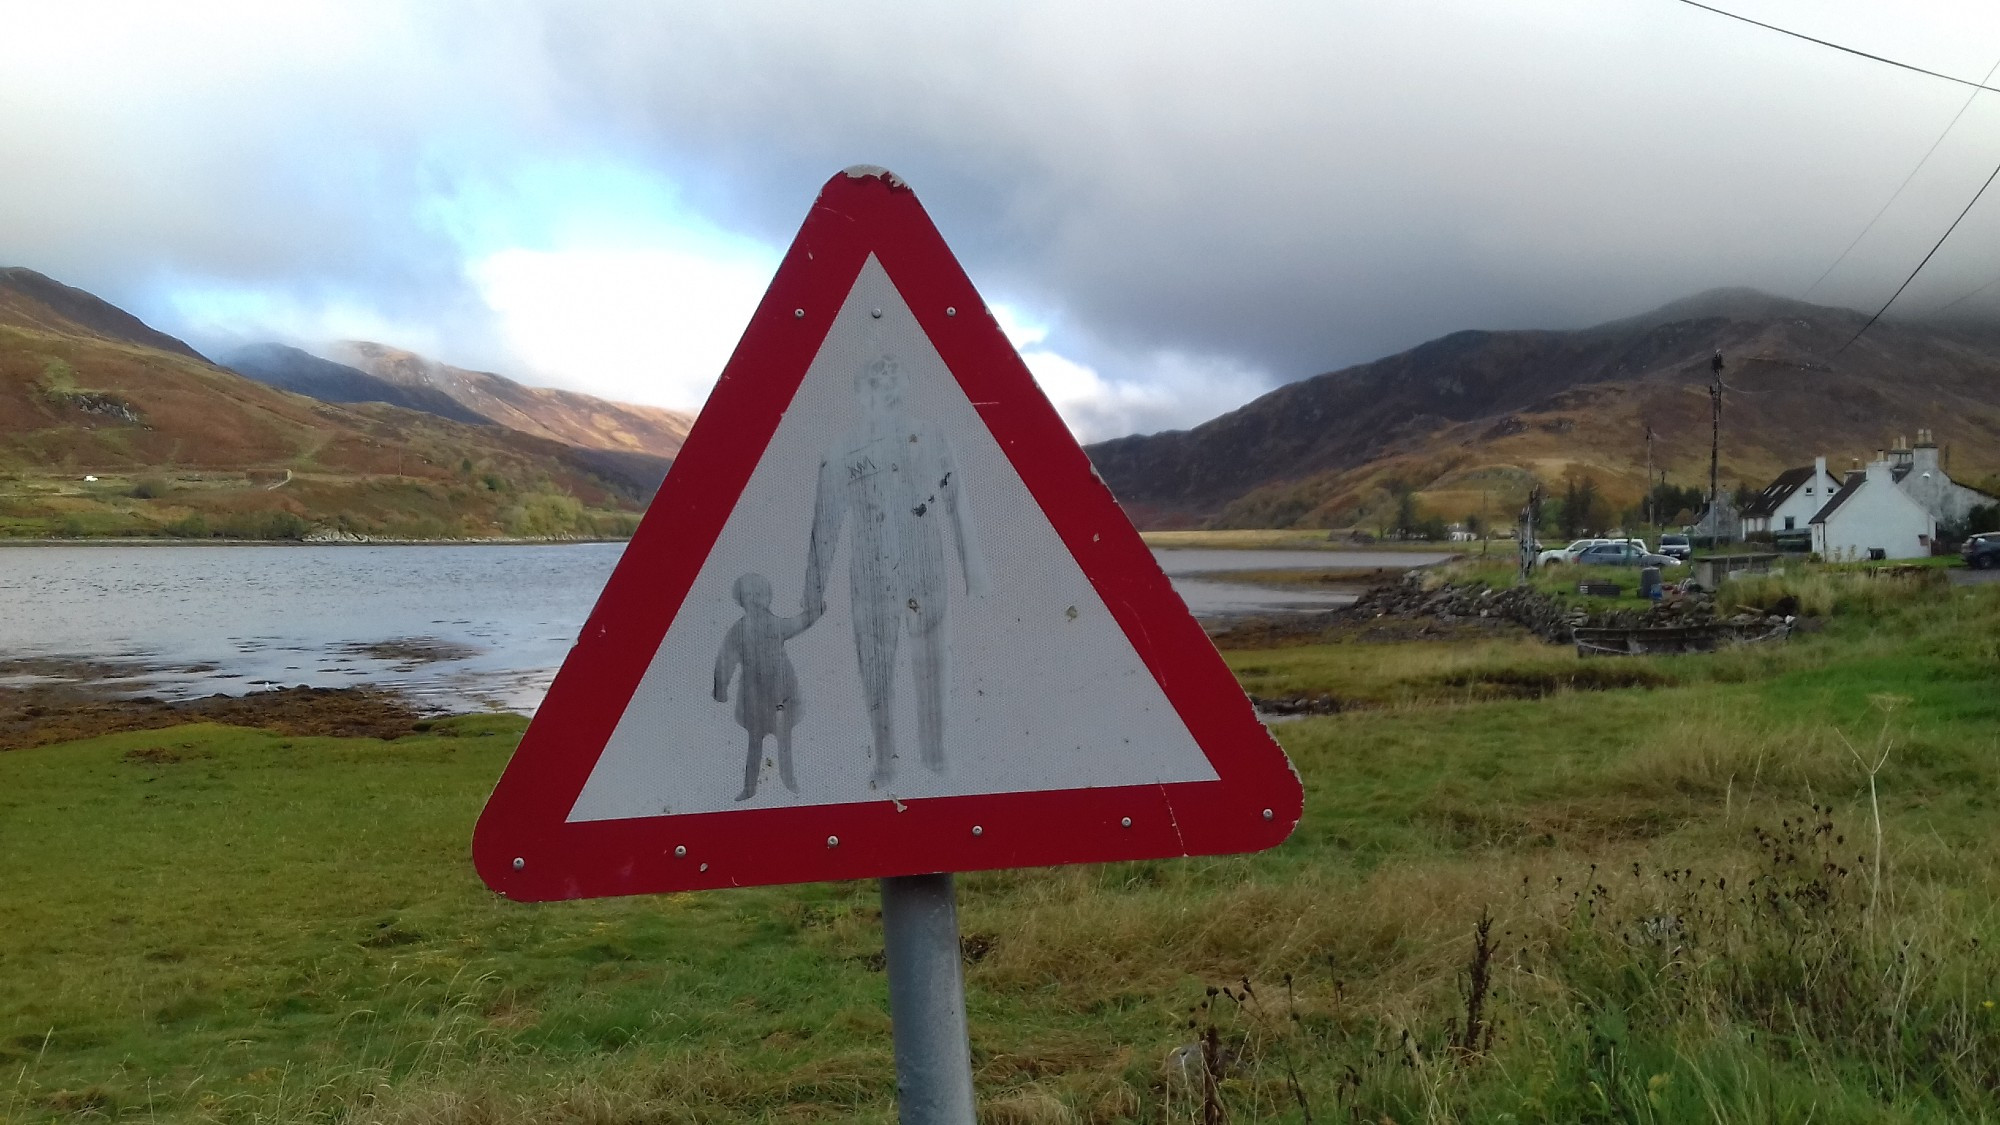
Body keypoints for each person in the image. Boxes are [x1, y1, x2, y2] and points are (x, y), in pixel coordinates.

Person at [804, 353, 987, 787]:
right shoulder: (842, 450)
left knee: (929, 663)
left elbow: (958, 505)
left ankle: (936, 757)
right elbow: (824, 525)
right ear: (860, 394)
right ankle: (886, 761)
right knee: (876, 669)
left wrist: (974, 574)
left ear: (905, 388)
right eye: (876, 383)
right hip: (870, 578)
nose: (886, 392)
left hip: (925, 569)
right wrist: (812, 590)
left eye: (893, 382)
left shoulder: (931, 438)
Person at [712, 572, 819, 801]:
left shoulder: (776, 624)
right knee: (754, 741)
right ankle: (750, 788)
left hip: (781, 690)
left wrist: (814, 611)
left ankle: (790, 782)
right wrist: (721, 687)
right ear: (739, 599)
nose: (754, 599)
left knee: (784, 738)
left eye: (758, 594)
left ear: (768, 596)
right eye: (748, 595)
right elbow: (725, 660)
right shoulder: (738, 630)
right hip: (753, 693)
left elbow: (797, 623)